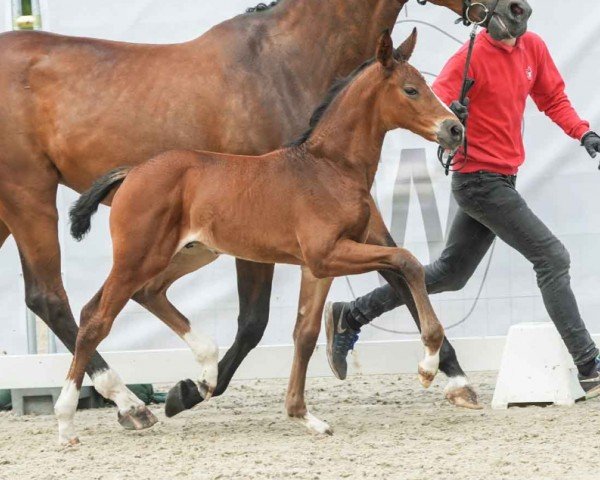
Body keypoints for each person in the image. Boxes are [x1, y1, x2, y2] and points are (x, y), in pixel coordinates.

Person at [324, 27, 600, 396]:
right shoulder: (469, 57)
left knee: (451, 274)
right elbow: (434, 109)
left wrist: (582, 133)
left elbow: (552, 98)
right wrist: (455, 110)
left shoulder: (532, 47)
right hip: (479, 182)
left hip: (502, 178)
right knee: (552, 258)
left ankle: (351, 314)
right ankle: (589, 365)